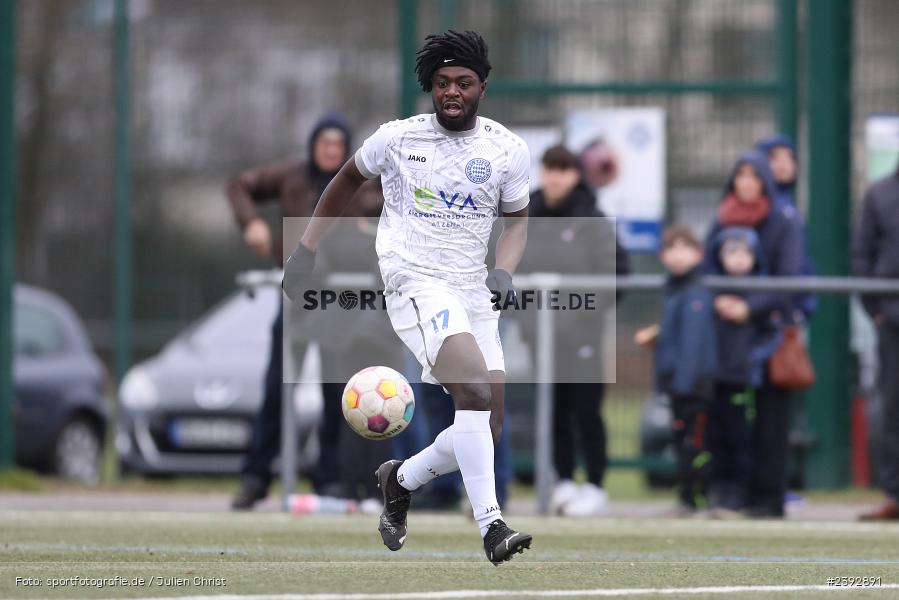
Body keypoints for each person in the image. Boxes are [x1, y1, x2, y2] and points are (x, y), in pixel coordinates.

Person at [282, 30, 532, 564]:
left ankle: (401, 479)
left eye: (463, 83)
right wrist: (305, 250)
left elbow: (518, 225)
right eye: (442, 83)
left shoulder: (507, 150)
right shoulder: (397, 139)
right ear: (430, 88)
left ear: (482, 88)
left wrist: (505, 272)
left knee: (486, 424)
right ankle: (492, 526)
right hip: (414, 279)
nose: (452, 92)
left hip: (472, 287)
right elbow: (344, 183)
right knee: (474, 390)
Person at [226, 112, 355, 510]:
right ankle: (256, 475)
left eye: (338, 145)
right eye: (324, 144)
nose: (330, 151)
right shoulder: (291, 176)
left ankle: (332, 478)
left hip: (342, 303)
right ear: (313, 146)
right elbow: (239, 186)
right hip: (296, 299)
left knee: (339, 395)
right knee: (276, 389)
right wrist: (252, 223)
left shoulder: (364, 183)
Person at [519, 144, 628, 516]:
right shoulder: (525, 215)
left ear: (577, 175)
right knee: (552, 409)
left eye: (564, 169)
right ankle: (563, 480)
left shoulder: (592, 220)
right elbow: (504, 267)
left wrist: (583, 316)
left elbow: (617, 273)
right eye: (550, 168)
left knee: (585, 409)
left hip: (582, 335)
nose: (555, 177)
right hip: (538, 334)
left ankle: (595, 485)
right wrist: (523, 315)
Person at [703, 150, 802, 518]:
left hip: (767, 337)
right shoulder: (722, 215)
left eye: (754, 176)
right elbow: (706, 267)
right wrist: (719, 300)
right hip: (725, 338)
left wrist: (749, 306)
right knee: (726, 421)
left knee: (770, 420)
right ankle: (729, 493)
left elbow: (788, 277)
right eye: (740, 175)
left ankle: (767, 498)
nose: (746, 182)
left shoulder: (783, 220)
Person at [705, 227, 786, 516]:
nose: (738, 259)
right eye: (731, 252)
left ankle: (742, 492)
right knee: (717, 436)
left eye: (744, 252)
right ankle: (719, 492)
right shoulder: (709, 294)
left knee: (743, 437)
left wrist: (752, 359)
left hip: (745, 379)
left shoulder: (763, 296)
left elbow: (772, 336)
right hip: (717, 378)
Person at [639, 224, 716, 516]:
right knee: (683, 442)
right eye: (672, 249)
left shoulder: (696, 291)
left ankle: (696, 498)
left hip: (693, 386)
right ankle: (687, 496)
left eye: (686, 248)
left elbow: (694, 344)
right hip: (677, 385)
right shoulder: (673, 288)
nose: (678, 256)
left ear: (698, 254)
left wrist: (684, 383)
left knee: (695, 443)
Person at [854, 160, 899, 521]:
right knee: (893, 407)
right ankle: (895, 494)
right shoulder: (880, 193)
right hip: (894, 322)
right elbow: (861, 256)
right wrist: (878, 311)